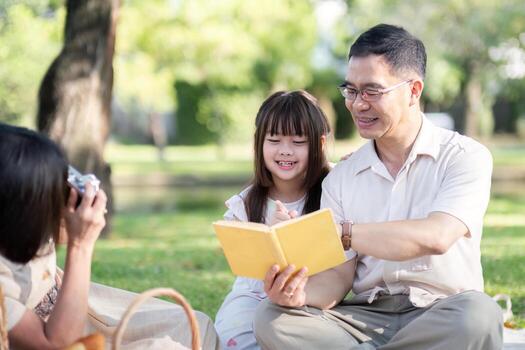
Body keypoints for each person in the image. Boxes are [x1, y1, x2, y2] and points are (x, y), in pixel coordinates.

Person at [253, 24, 503, 349]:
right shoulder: (342, 177)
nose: (357, 104)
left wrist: (341, 231)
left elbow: (437, 236)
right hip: (365, 319)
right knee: (271, 317)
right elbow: (337, 279)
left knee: (480, 315)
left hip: (441, 312)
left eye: (372, 91)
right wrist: (298, 294)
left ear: (414, 90)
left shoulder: (465, 157)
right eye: (351, 91)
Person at [0, 123, 220, 349]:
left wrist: (77, 199)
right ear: (19, 208)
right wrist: (81, 245)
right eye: (48, 196)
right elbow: (56, 344)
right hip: (60, 334)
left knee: (195, 326)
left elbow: (60, 234)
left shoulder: (19, 226)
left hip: (78, 311)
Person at [214, 90, 331, 350]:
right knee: (236, 340)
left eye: (298, 142)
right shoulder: (245, 205)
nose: (285, 151)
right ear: (259, 143)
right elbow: (246, 268)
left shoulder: (333, 193)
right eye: (274, 140)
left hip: (310, 298)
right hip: (252, 297)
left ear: (319, 144)